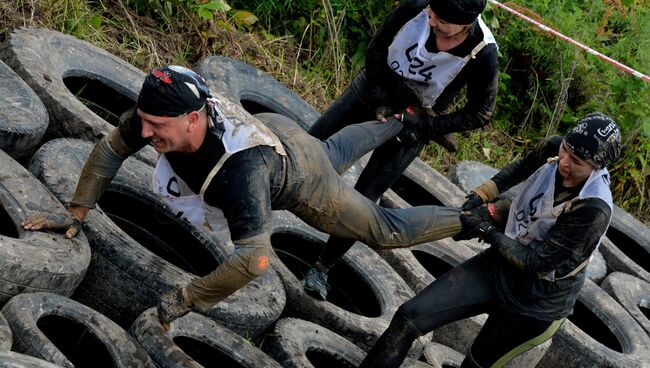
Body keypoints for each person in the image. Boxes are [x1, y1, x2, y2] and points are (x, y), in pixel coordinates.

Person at [21, 65, 465, 327]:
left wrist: (185, 299)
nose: (146, 132)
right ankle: (403, 120)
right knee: (330, 150)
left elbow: (255, 261)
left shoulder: (240, 176)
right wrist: (76, 212)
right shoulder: (157, 112)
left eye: (158, 126)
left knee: (385, 230)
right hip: (279, 132)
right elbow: (110, 149)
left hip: (301, 180)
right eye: (144, 121)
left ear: (193, 119)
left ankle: (474, 215)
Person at [358, 112, 623, 368]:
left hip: (536, 303)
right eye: (566, 149)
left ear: (596, 167)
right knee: (408, 318)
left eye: (576, 161)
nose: (564, 161)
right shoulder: (554, 148)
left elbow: (534, 262)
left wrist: (486, 230)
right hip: (498, 268)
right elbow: (521, 167)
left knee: (475, 363)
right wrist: (484, 193)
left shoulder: (593, 209)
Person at [302, 0, 499, 300]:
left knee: (366, 195)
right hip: (372, 89)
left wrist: (424, 125)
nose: (432, 22)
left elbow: (480, 113)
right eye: (432, 14)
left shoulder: (483, 53)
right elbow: (377, 48)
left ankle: (321, 266)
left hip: (416, 119)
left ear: (465, 25)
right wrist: (381, 98)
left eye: (442, 21)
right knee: (311, 146)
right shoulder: (416, 9)